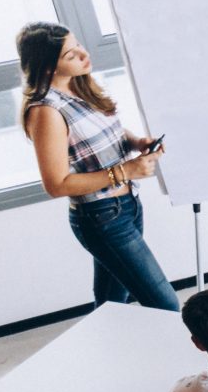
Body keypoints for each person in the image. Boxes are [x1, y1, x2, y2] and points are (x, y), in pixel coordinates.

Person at [17, 22, 179, 311]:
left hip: (126, 206)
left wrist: (136, 142)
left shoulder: (78, 86)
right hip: (102, 217)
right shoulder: (47, 112)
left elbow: (105, 133)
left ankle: (105, 353)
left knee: (111, 307)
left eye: (77, 43)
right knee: (165, 305)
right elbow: (56, 184)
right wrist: (126, 171)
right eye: (70, 54)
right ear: (48, 68)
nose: (83, 53)